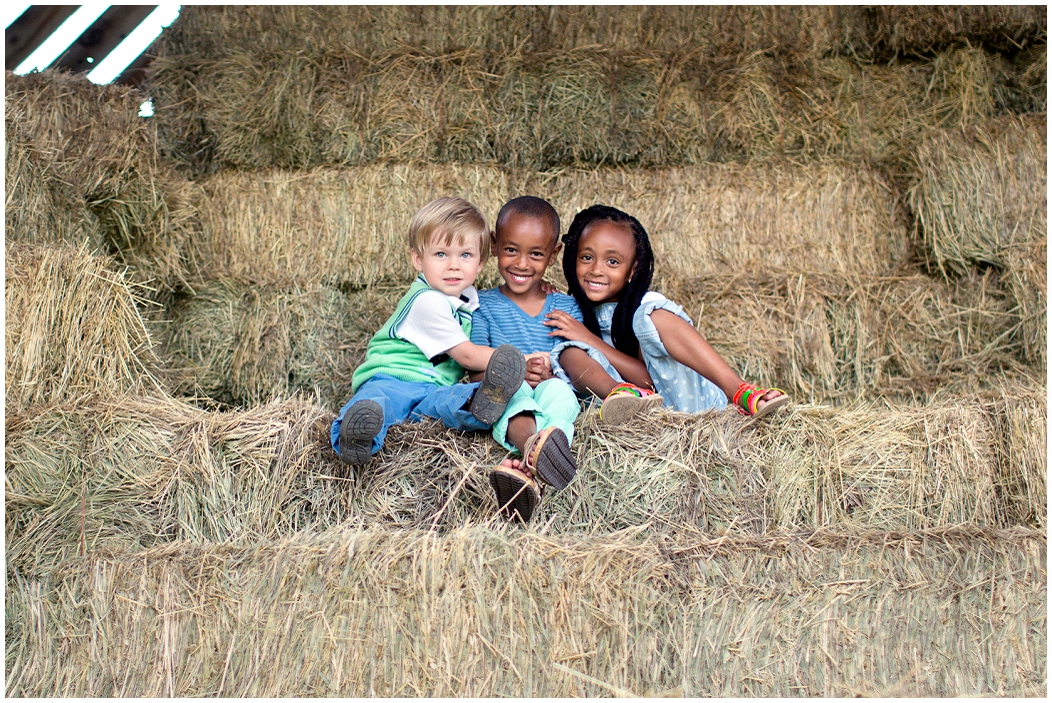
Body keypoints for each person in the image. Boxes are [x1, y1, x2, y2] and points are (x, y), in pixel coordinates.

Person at [545, 203, 789, 424]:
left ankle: (738, 390)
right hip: (640, 419)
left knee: (650, 314)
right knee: (568, 351)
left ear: (634, 269)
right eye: (587, 257)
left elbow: (652, 379)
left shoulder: (642, 310)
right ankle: (620, 395)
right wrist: (540, 290)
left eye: (612, 262)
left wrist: (590, 340)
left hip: (694, 407)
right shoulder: (573, 313)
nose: (596, 270)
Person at [330, 197, 527, 466]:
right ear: (418, 259)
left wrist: (541, 287)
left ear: (481, 262)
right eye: (441, 254)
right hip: (394, 379)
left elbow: (504, 300)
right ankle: (354, 438)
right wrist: (524, 360)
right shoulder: (427, 301)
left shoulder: (467, 299)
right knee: (378, 404)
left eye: (465, 255)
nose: (454, 265)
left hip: (433, 388)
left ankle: (479, 403)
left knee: (453, 401)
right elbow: (468, 357)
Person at [469, 196, 583, 522]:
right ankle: (535, 450)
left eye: (535, 254)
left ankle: (539, 459)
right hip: (508, 389)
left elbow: (582, 367)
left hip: (550, 387)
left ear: (554, 255)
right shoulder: (482, 305)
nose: (521, 264)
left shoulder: (566, 308)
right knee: (510, 395)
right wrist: (515, 373)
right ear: (494, 245)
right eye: (511, 250)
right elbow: (476, 370)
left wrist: (552, 375)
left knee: (560, 395)